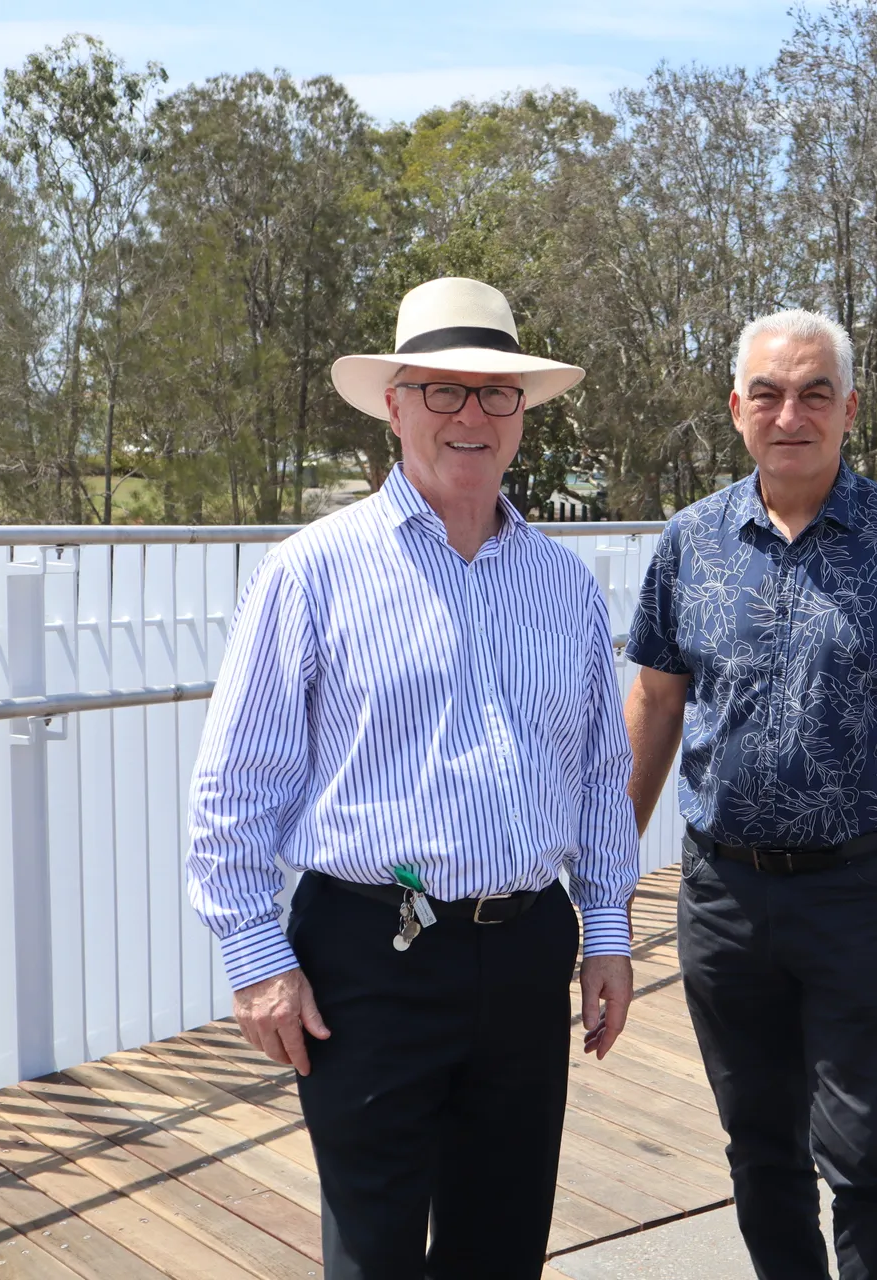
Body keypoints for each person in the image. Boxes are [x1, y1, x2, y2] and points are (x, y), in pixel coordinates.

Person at [185, 276, 640, 1280]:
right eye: (442, 390)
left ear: (522, 414)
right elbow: (236, 784)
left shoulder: (564, 584)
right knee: (376, 1252)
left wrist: (607, 929)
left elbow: (600, 774)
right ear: (394, 406)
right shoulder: (314, 570)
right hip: (369, 956)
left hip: (526, 949)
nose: (471, 415)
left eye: (495, 393)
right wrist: (256, 958)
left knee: (502, 1246)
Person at [622, 309, 877, 1280]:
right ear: (736, 408)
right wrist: (608, 875)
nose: (791, 414)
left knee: (867, 1154)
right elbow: (655, 704)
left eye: (815, 393)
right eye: (770, 394)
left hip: (860, 894)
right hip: (723, 897)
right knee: (760, 1150)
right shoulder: (689, 542)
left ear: (850, 409)